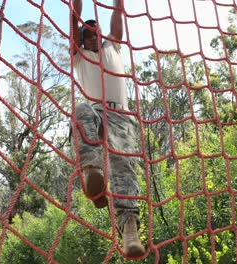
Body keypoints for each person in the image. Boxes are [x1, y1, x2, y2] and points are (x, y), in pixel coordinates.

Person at [70, 0, 145, 258]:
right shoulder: (80, 56)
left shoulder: (112, 46)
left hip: (121, 117)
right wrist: (76, 5)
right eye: (87, 35)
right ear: (81, 40)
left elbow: (117, 17)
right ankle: (93, 174)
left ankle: (129, 231)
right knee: (80, 111)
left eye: (95, 33)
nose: (92, 37)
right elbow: (73, 20)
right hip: (97, 113)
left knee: (124, 169)